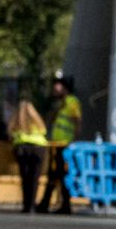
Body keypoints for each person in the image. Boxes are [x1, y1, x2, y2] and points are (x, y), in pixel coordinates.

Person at [38, 73, 84, 214]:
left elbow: (77, 121)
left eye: (58, 85)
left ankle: (53, 204)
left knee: (58, 174)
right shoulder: (60, 103)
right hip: (56, 144)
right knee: (56, 174)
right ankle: (57, 204)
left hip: (64, 145)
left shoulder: (71, 101)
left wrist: (74, 141)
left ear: (65, 88)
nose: (55, 87)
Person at [9, 99, 49, 214]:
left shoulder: (18, 120)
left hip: (23, 148)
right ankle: (32, 205)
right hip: (39, 149)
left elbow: (11, 132)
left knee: (25, 178)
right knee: (34, 178)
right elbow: (44, 131)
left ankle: (26, 205)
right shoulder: (37, 120)